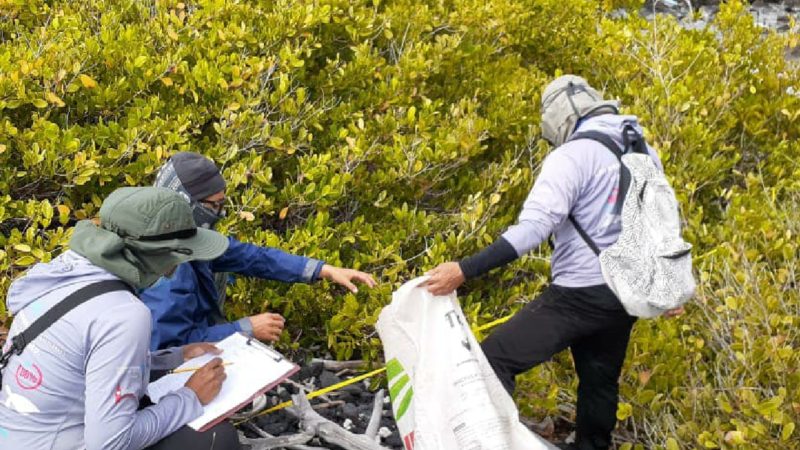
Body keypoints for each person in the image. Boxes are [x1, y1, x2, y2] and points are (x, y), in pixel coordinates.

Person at [425, 75, 683, 450]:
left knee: (493, 362)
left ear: (559, 117)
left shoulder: (571, 156)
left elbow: (533, 229)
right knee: (599, 381)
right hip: (626, 293)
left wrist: (465, 269)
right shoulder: (643, 149)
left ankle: (496, 444)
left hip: (580, 294)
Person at [0, 187, 240, 450]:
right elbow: (110, 444)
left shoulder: (67, 271)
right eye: (182, 253)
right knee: (216, 437)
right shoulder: (124, 314)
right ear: (161, 253)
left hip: (16, 436)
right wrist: (191, 396)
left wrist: (175, 357)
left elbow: (81, 361)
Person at [140, 152, 376, 350]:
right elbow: (167, 349)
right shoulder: (168, 269)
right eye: (215, 205)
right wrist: (245, 329)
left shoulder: (184, 238)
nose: (221, 213)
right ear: (187, 203)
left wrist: (323, 270)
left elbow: (252, 257)